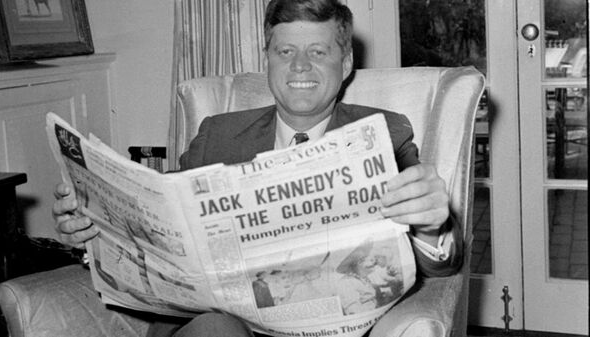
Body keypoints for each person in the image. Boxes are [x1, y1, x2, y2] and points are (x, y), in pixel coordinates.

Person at [52, 0, 463, 335]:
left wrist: (431, 226)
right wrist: (93, 227)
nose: (299, 66)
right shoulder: (218, 135)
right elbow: (159, 228)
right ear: (267, 58)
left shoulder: (383, 133)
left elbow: (439, 264)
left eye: (318, 52)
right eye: (285, 51)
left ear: (347, 61)